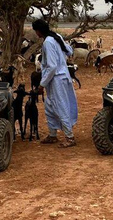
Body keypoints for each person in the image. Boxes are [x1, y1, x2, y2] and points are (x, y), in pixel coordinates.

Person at [32, 19, 79, 147]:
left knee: (61, 105)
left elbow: (52, 66)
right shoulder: (56, 36)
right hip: (61, 76)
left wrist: (42, 84)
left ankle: (69, 137)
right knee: (49, 105)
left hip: (56, 78)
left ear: (38, 31)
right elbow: (69, 50)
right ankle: (52, 134)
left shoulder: (48, 42)